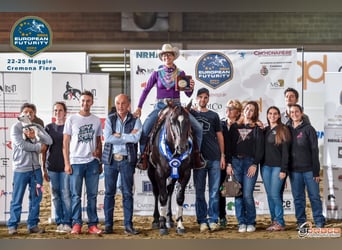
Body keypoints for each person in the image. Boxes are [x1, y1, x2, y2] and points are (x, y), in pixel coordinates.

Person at [133, 43, 204, 169]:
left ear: (173, 56)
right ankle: (143, 157)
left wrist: (191, 88)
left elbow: (187, 94)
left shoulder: (180, 73)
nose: (167, 57)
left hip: (176, 105)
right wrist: (139, 107)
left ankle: (196, 156)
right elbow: (146, 90)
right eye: (164, 55)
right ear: (162, 57)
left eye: (169, 55)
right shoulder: (156, 73)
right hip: (161, 105)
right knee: (145, 130)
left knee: (198, 128)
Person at [7, 103, 53, 235]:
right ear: (21, 114)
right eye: (26, 112)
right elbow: (22, 145)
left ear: (34, 115)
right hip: (20, 169)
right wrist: (39, 147)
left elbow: (49, 141)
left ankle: (32, 225)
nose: (28, 114)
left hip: (35, 170)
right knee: (17, 199)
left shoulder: (37, 127)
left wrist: (36, 136)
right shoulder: (15, 128)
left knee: (36, 199)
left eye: (31, 113)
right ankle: (13, 225)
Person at [63, 90, 103, 235]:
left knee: (92, 195)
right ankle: (76, 224)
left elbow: (99, 141)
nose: (85, 103)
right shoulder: (72, 119)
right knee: (76, 195)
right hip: (75, 162)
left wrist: (99, 160)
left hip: (92, 162)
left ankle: (92, 224)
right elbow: (65, 143)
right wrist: (67, 163)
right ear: (79, 102)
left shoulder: (96, 120)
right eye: (83, 101)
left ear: (92, 102)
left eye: (88, 101)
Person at [103, 94, 142, 235]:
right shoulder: (110, 119)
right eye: (118, 103)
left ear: (129, 105)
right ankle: (108, 225)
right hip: (111, 160)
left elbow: (136, 137)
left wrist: (118, 135)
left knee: (127, 194)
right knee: (109, 194)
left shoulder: (136, 120)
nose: (120, 106)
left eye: (123, 103)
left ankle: (128, 226)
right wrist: (127, 136)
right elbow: (107, 138)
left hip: (127, 160)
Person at [190, 88, 225, 232]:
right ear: (196, 98)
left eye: (205, 97)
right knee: (199, 191)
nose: (203, 100)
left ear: (208, 99)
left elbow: (220, 136)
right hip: (198, 159)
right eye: (200, 97)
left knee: (214, 191)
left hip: (215, 158)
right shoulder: (191, 114)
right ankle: (202, 220)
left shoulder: (214, 116)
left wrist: (222, 155)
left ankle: (213, 219)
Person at [227, 101, 264, 233]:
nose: (249, 111)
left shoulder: (258, 128)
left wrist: (255, 164)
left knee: (247, 195)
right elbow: (229, 146)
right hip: (235, 163)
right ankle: (241, 222)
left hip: (250, 163)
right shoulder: (234, 127)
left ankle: (251, 221)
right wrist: (229, 164)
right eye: (247, 108)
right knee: (238, 194)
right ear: (243, 110)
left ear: (255, 113)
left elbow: (260, 148)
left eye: (252, 110)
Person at [288, 104, 325, 228]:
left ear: (302, 113)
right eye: (292, 112)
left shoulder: (309, 129)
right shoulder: (287, 129)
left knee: (314, 197)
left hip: (309, 170)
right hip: (294, 171)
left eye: (296, 112)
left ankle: (319, 220)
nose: (294, 114)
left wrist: (316, 171)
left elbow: (315, 151)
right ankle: (301, 222)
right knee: (298, 199)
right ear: (289, 114)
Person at [41, 102, 72, 233]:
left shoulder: (69, 127)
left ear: (65, 112)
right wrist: (44, 168)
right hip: (52, 166)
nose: (57, 113)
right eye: (55, 110)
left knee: (66, 194)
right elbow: (44, 150)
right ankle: (59, 221)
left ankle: (67, 222)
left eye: (60, 110)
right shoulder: (48, 128)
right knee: (55, 195)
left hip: (65, 166)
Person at [261, 106, 291, 231]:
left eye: (275, 114)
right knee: (270, 195)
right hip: (266, 167)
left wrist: (284, 169)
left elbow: (286, 152)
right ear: (267, 115)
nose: (272, 116)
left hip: (278, 168)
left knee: (275, 194)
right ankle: (274, 221)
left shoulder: (283, 129)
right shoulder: (265, 130)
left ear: (279, 116)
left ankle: (280, 222)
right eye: (270, 113)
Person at [219, 99, 242, 229]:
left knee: (239, 191)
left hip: (237, 163)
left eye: (232, 108)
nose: (229, 110)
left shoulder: (241, 126)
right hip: (222, 162)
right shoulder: (221, 124)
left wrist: (231, 163)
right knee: (220, 190)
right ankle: (222, 216)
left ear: (238, 112)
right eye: (228, 107)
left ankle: (241, 219)